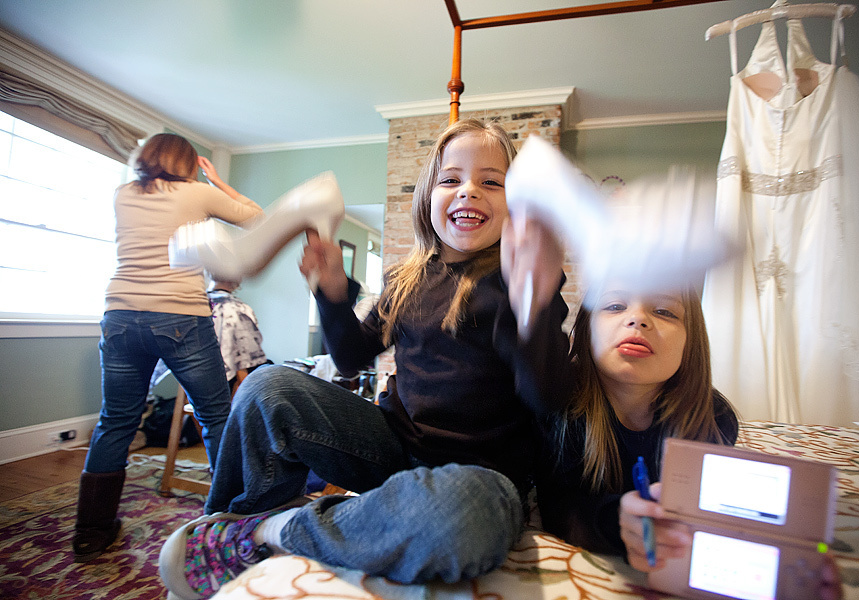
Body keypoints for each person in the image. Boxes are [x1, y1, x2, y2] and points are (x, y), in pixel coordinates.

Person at [157, 118, 571, 600]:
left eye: (491, 182)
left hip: (483, 478)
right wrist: (332, 295)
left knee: (459, 515)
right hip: (394, 450)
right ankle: (233, 531)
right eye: (451, 179)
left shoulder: (525, 282)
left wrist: (532, 304)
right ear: (426, 197)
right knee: (266, 386)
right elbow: (351, 357)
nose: (469, 192)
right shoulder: (408, 279)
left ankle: (282, 528)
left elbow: (549, 398)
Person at [74, 133, 263, 563]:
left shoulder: (123, 193)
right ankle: (225, 518)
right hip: (178, 315)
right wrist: (215, 181)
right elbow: (255, 217)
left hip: (119, 315)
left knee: (115, 421)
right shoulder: (195, 192)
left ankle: (90, 532)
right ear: (188, 164)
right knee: (216, 415)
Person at [534, 288, 739, 563]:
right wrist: (615, 524)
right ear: (585, 327)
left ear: (691, 343)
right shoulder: (556, 404)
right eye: (615, 306)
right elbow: (558, 506)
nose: (638, 319)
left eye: (665, 312)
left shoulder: (714, 419)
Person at [207, 277, 272, 391]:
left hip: (195, 370)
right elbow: (247, 358)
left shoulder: (195, 304)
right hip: (227, 377)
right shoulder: (240, 309)